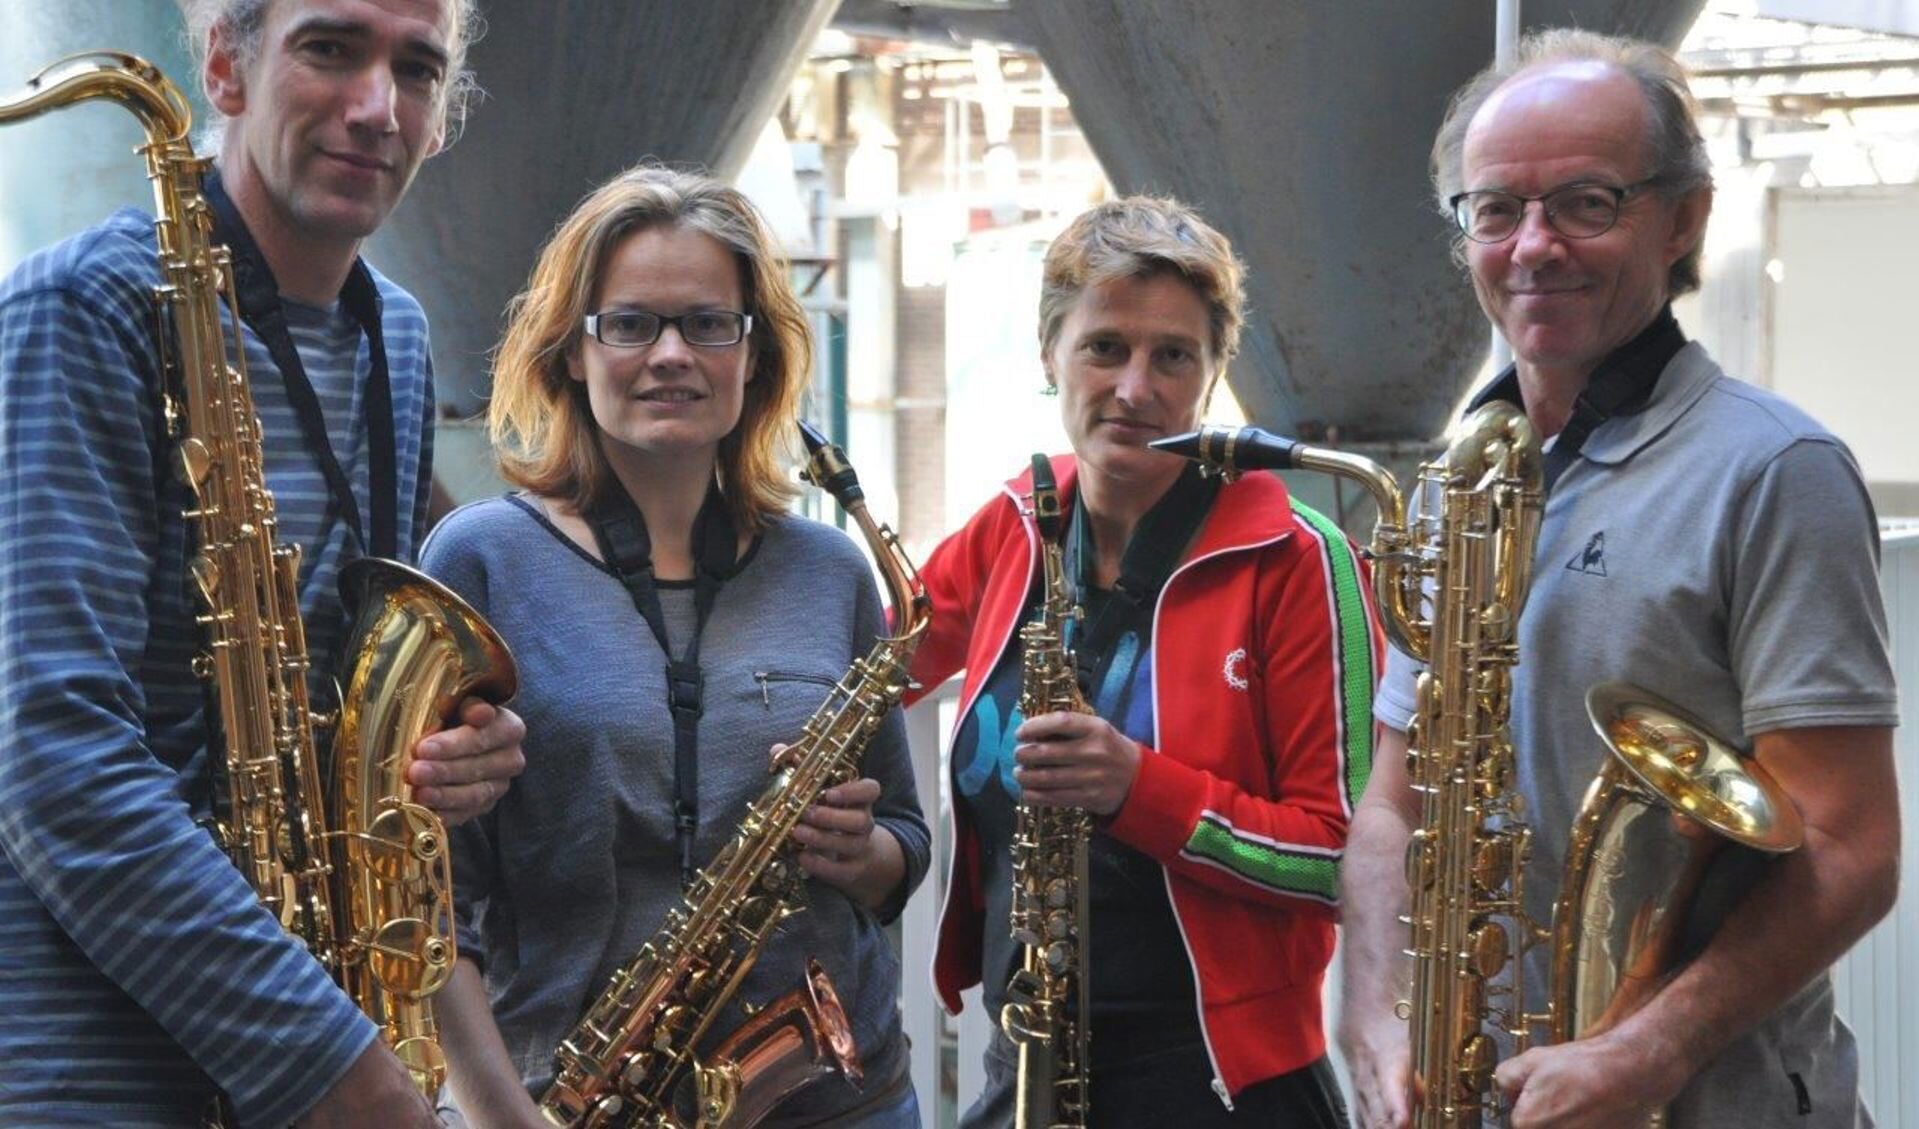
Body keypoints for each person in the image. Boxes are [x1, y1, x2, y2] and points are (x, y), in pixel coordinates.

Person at [1337, 29, 1901, 1129]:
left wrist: (1646, 1050)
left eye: (1585, 203)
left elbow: (1850, 844)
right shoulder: (1461, 485)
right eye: (1493, 210)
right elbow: (1390, 805)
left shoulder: (1775, 471)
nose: (1532, 245)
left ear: (1681, 218)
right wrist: (1367, 1009)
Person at [0, 1, 529, 1125]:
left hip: (301, 1050)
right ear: (224, 69)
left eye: (418, 71)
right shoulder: (77, 308)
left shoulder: (394, 333)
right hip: (92, 1073)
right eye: (330, 49)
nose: (377, 108)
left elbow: (342, 706)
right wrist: (342, 1073)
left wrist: (443, 748)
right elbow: (54, 758)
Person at [422, 163, 930, 1128]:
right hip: (564, 1099)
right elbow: (426, 888)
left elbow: (903, 845)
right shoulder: (482, 557)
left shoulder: (830, 569)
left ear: (754, 352)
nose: (670, 354)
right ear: (573, 350)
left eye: (706, 322)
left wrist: (856, 847)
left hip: (842, 1098)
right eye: (630, 323)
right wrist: (497, 1115)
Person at [909, 196, 1377, 1127]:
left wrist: (1136, 787)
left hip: (1214, 1079)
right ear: (1050, 354)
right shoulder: (1013, 523)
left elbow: (1343, 859)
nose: (1134, 388)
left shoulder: (1299, 558)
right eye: (1104, 347)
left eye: (1173, 356)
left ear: (1211, 376)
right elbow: (875, 660)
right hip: (1030, 1054)